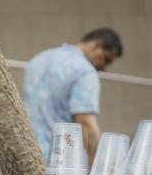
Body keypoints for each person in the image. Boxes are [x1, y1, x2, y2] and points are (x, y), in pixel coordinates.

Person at [23, 28, 123, 166]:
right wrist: (97, 166)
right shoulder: (85, 71)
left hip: (26, 156)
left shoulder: (39, 59)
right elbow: (86, 123)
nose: (104, 67)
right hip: (60, 162)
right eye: (106, 59)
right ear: (97, 46)